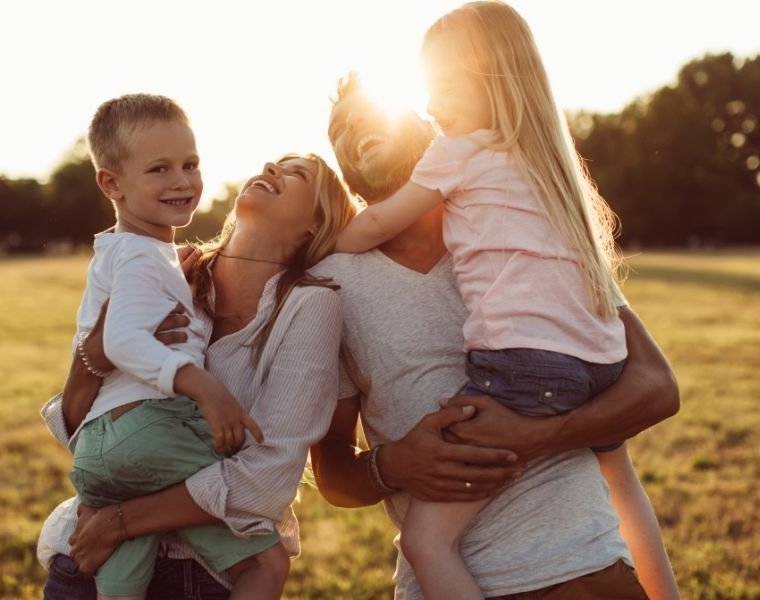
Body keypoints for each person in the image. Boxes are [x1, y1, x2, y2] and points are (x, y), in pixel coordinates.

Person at [331, 3, 675, 599]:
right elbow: (331, 475)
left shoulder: (544, 236)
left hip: (586, 572)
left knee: (429, 538)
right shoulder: (329, 283)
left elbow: (653, 396)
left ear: (433, 129)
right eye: (339, 129)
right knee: (427, 542)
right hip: (449, 582)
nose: (357, 132)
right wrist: (394, 465)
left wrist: (541, 434)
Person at [38, 139, 359, 598]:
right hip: (87, 553)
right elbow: (82, 430)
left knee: (268, 565)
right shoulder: (168, 270)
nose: (271, 165)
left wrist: (123, 520)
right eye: (276, 162)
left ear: (315, 225)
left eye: (298, 175)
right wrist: (97, 351)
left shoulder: (310, 305)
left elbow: (266, 479)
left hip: (200, 575)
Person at [65, 92, 286, 600]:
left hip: (102, 444)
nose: (183, 181)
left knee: (125, 577)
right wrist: (203, 386)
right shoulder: (143, 258)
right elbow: (120, 340)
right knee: (266, 563)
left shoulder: (139, 254)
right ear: (111, 183)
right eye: (160, 169)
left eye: (190, 163)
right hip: (148, 429)